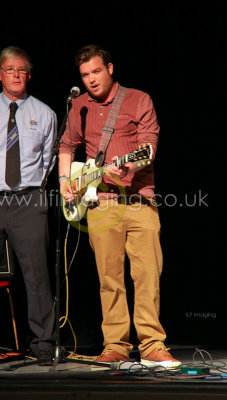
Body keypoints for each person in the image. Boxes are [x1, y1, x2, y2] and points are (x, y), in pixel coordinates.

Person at [58, 44, 180, 366]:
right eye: (85, 75)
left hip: (140, 199)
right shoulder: (79, 106)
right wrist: (64, 181)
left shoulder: (139, 100)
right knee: (109, 278)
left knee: (147, 275)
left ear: (110, 69)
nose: (91, 80)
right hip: (101, 203)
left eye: (96, 72)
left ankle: (152, 344)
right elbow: (67, 147)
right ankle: (115, 345)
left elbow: (148, 148)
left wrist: (129, 167)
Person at [0, 46, 57, 367]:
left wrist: (28, 189)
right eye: (9, 69)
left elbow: (47, 162)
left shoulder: (44, 113)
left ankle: (43, 342)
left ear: (29, 74)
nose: (16, 75)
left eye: (22, 70)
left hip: (29, 201)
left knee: (37, 276)